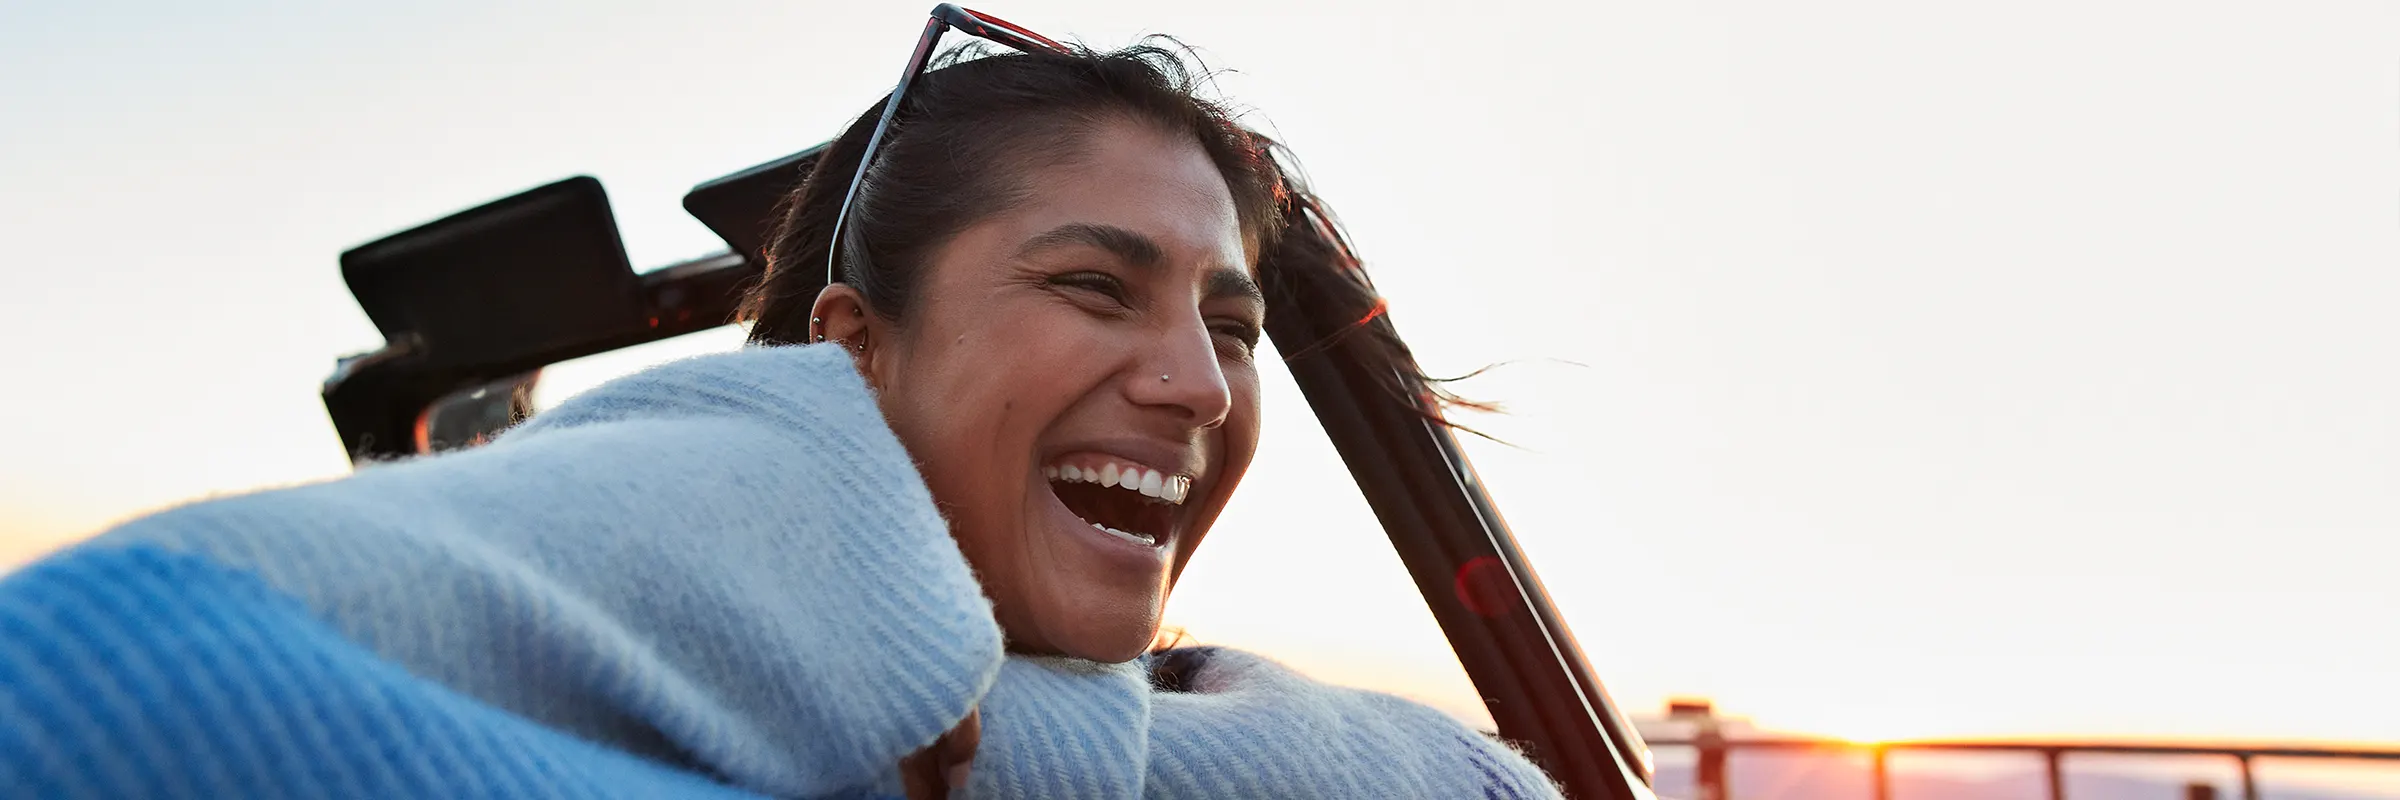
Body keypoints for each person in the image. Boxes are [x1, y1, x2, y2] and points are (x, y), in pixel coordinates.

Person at [0, 33, 1562, 800]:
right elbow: (108, 680)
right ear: (850, 353)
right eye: (1096, 286)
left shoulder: (1226, 719)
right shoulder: (745, 492)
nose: (1201, 384)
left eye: (1232, 327)